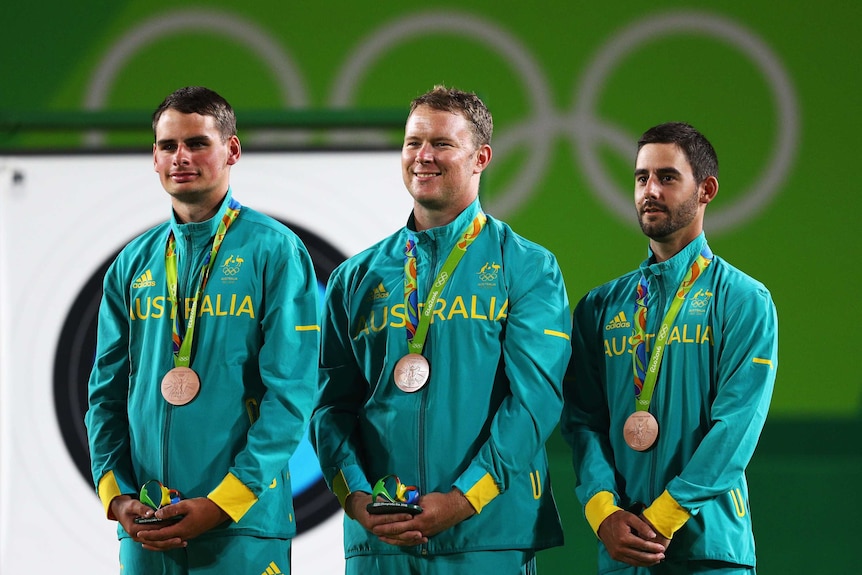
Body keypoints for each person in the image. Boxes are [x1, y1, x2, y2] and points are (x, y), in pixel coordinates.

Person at [310, 85, 572, 574]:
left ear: (481, 158)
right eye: (413, 143)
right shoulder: (356, 277)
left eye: (442, 144)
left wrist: (462, 499)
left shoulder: (527, 267)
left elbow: (535, 402)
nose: (423, 156)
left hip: (487, 537)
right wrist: (358, 499)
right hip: (381, 544)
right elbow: (330, 407)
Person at [84, 86, 320, 575]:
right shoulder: (133, 264)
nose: (181, 157)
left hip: (241, 527)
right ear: (153, 158)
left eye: (197, 143)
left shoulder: (275, 251)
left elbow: (291, 395)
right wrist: (117, 495)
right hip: (147, 527)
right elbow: (104, 394)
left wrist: (224, 502)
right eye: (168, 146)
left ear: (232, 150)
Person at [561, 122, 778, 574]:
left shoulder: (742, 300)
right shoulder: (600, 308)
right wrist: (603, 512)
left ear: (706, 190)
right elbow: (583, 422)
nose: (649, 190)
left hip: (709, 551)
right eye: (641, 178)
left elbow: (737, 425)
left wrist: (666, 515)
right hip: (624, 551)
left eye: (667, 177)